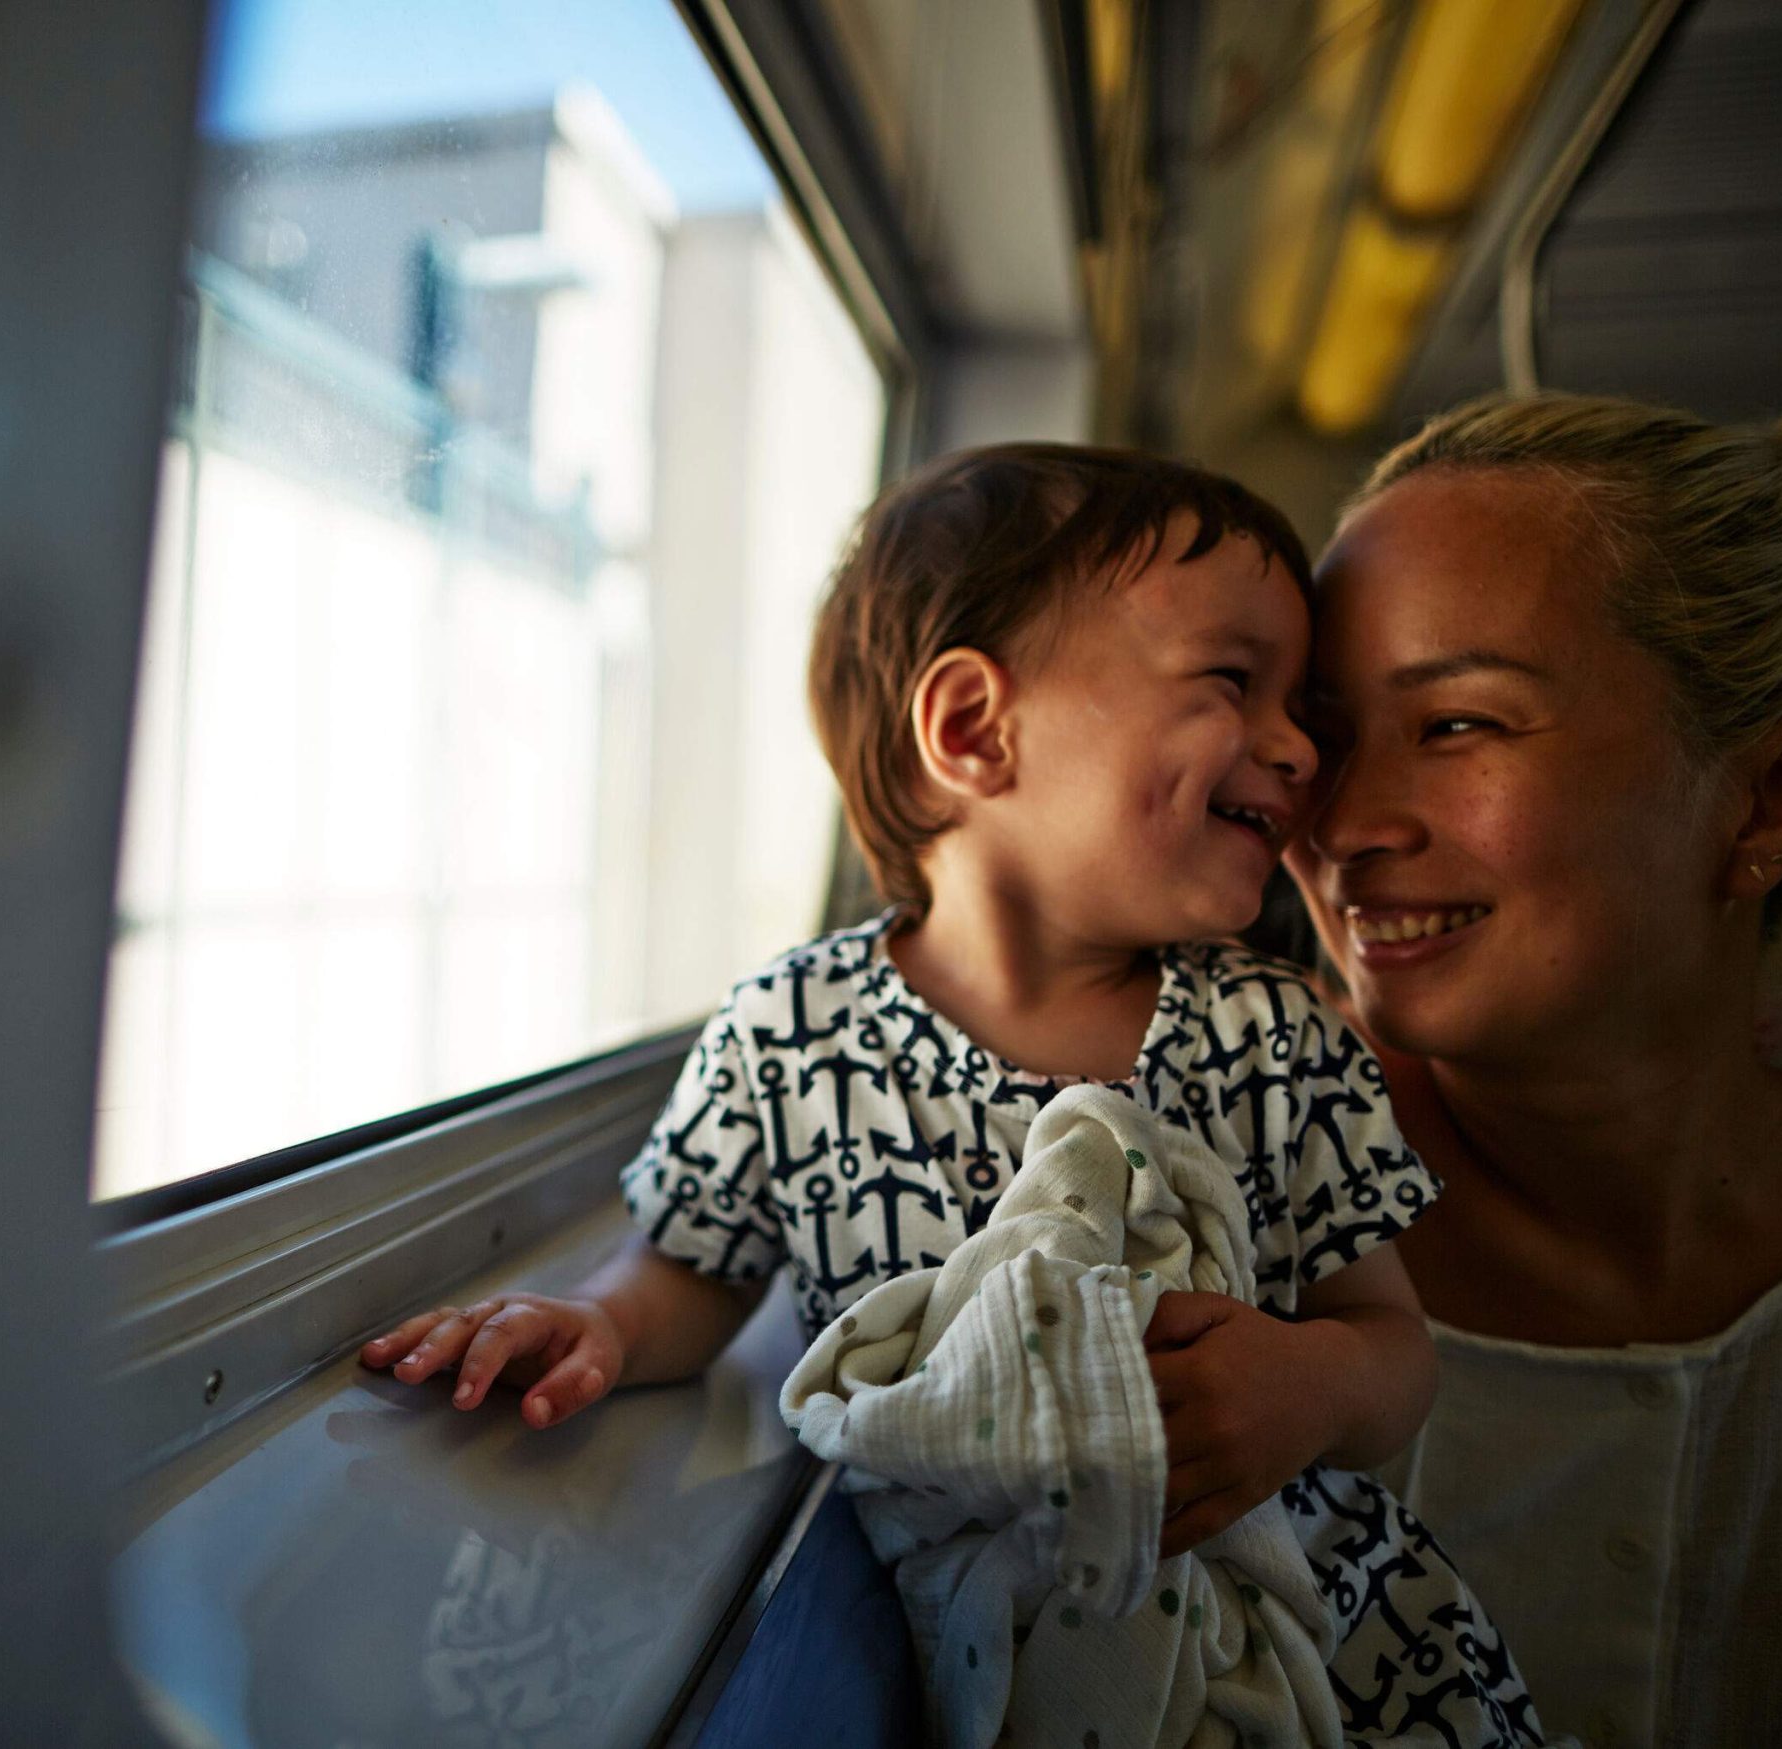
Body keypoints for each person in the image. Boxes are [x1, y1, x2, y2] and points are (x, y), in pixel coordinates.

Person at [363, 448, 1441, 1581]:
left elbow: (1393, 1346)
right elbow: (688, 1271)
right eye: (1231, 680)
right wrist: (602, 1328)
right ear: (975, 728)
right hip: (950, 1621)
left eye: (1297, 704)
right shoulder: (790, 1036)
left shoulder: (1273, 1039)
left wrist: (1311, 1390)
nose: (1300, 748)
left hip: (1291, 1614)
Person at [1284, 388, 1782, 1746]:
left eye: (1459, 724)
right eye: (1325, 736)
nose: (1340, 822)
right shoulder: (1239, 1237)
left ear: (1769, 796)